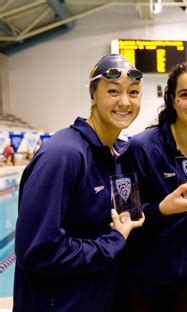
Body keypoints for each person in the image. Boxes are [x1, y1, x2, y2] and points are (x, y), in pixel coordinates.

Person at [13, 54, 145, 312]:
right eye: (113, 91)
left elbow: (122, 220)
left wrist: (160, 208)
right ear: (93, 96)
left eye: (134, 92)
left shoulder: (116, 154)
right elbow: (37, 250)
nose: (125, 101)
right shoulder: (62, 155)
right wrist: (113, 242)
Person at [117, 59, 187, 312]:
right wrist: (160, 210)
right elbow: (123, 216)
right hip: (140, 281)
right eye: (185, 95)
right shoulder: (141, 148)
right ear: (173, 100)